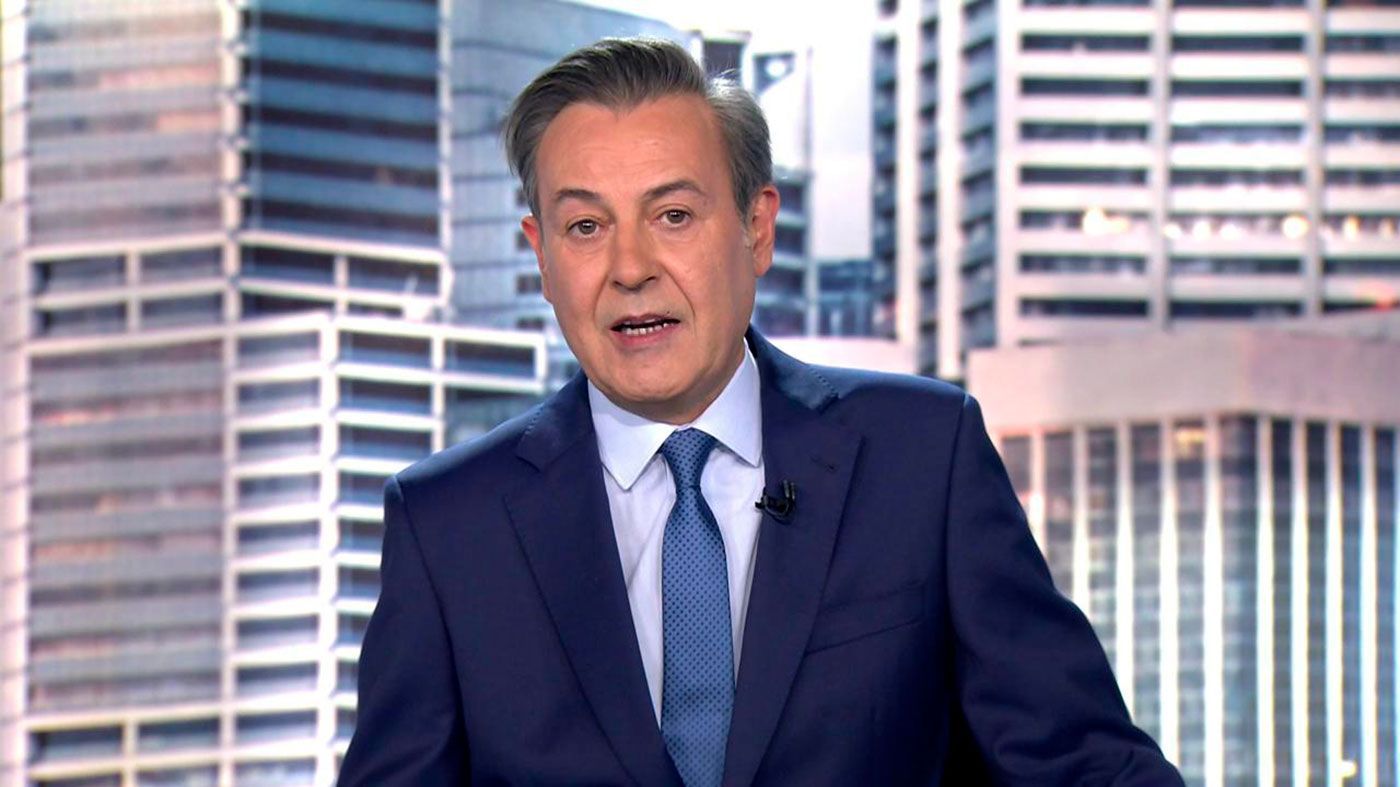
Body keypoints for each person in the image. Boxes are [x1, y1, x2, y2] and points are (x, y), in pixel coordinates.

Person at [339, 37, 1182, 786]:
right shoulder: (451, 527)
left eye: (673, 215)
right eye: (586, 227)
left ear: (757, 226)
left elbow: (1085, 764)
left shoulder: (921, 460)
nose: (630, 267)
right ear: (543, 256)